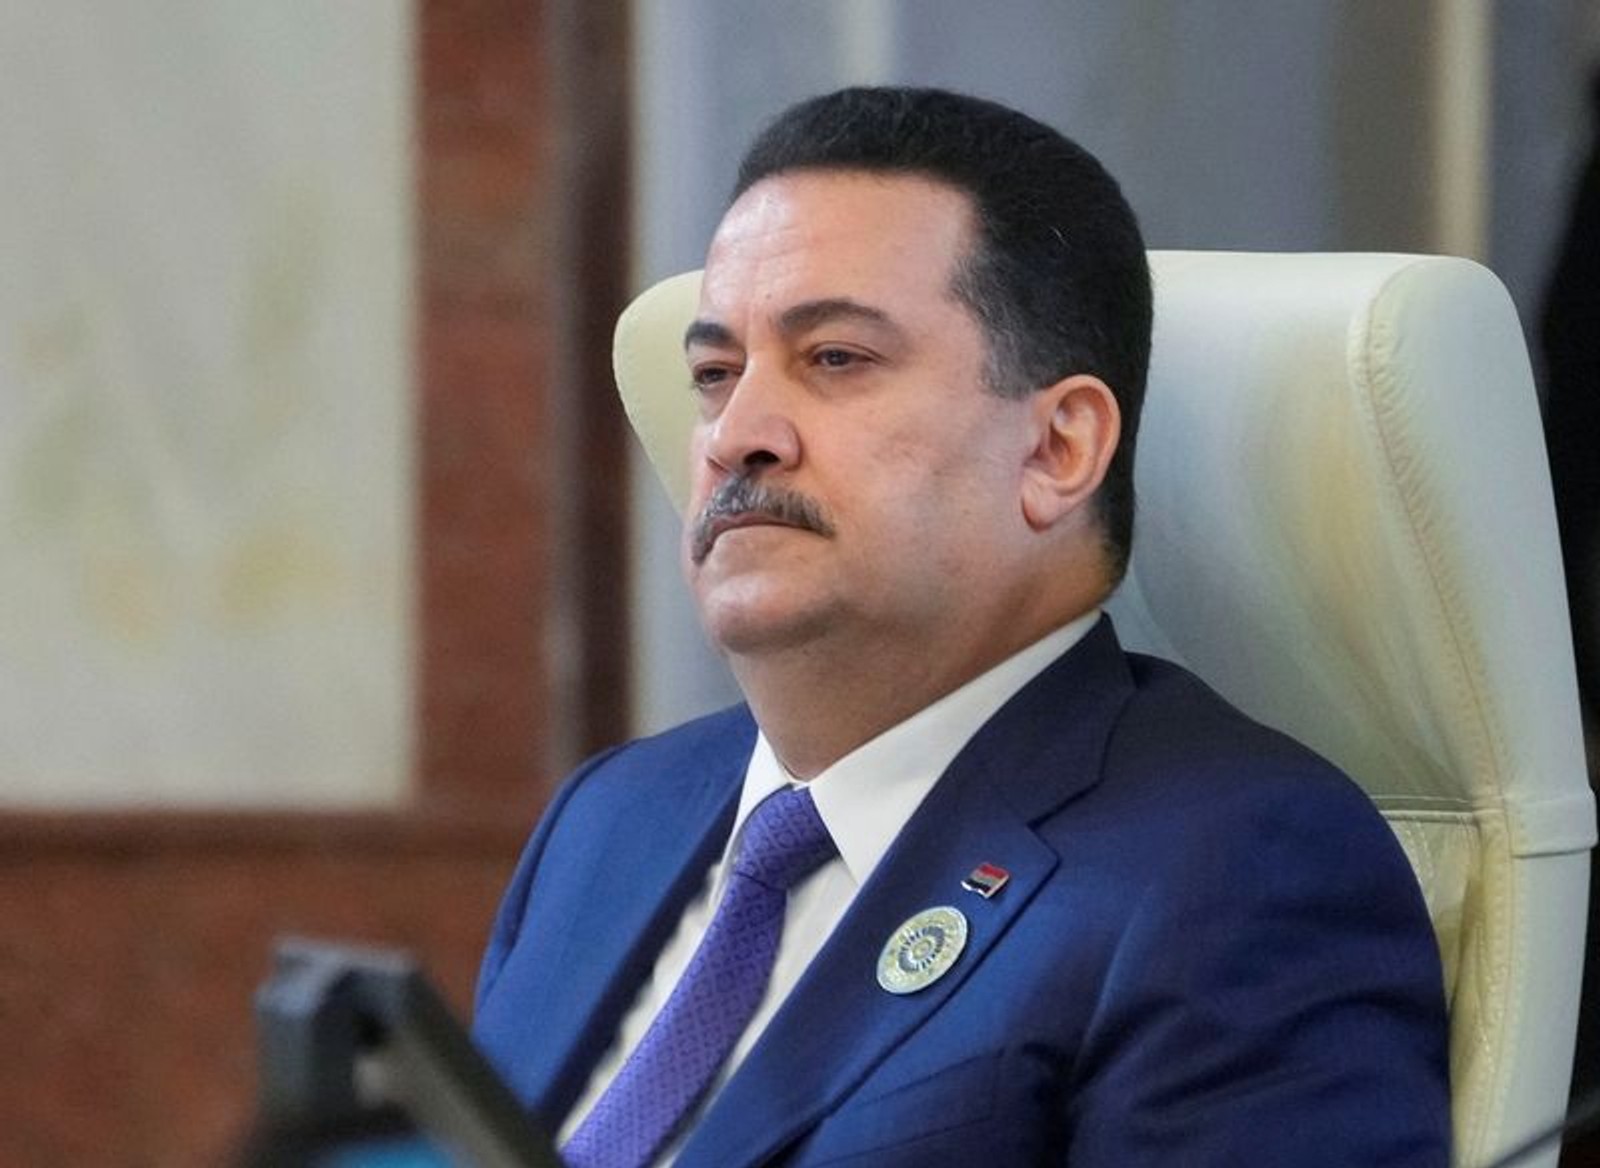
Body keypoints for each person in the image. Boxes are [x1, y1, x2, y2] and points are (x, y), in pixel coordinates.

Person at [472, 87, 1450, 1167]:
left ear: (1059, 449)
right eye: (714, 374)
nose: (735, 434)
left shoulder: (1242, 874)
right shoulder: (610, 820)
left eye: (835, 358)